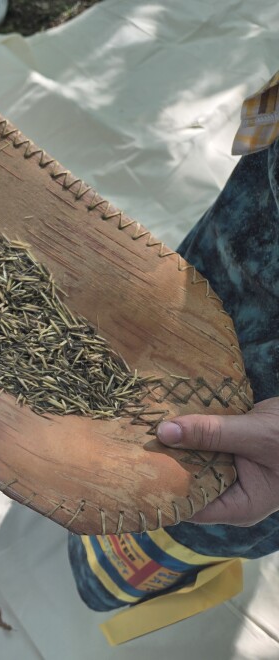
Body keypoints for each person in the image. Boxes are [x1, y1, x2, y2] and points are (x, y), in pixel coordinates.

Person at [68, 71, 279, 611]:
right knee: (98, 442)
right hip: (230, 261)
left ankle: (110, 571)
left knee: (161, 524)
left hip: (255, 455)